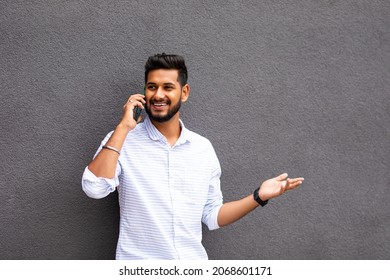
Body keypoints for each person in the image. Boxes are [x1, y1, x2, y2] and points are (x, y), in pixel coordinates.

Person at [82, 53, 304, 260]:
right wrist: (123, 127)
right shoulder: (122, 140)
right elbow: (94, 188)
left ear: (184, 92)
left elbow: (212, 216)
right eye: (152, 87)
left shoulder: (202, 149)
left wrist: (259, 196)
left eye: (167, 87)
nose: (158, 95)